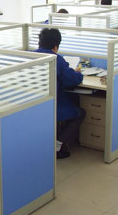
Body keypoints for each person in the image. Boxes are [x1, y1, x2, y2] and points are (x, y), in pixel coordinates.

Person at [34, 28, 85, 159]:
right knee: (80, 113)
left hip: (34, 105)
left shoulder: (30, 56)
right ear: (56, 46)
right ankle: (57, 145)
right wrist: (78, 73)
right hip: (51, 105)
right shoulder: (56, 59)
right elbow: (71, 80)